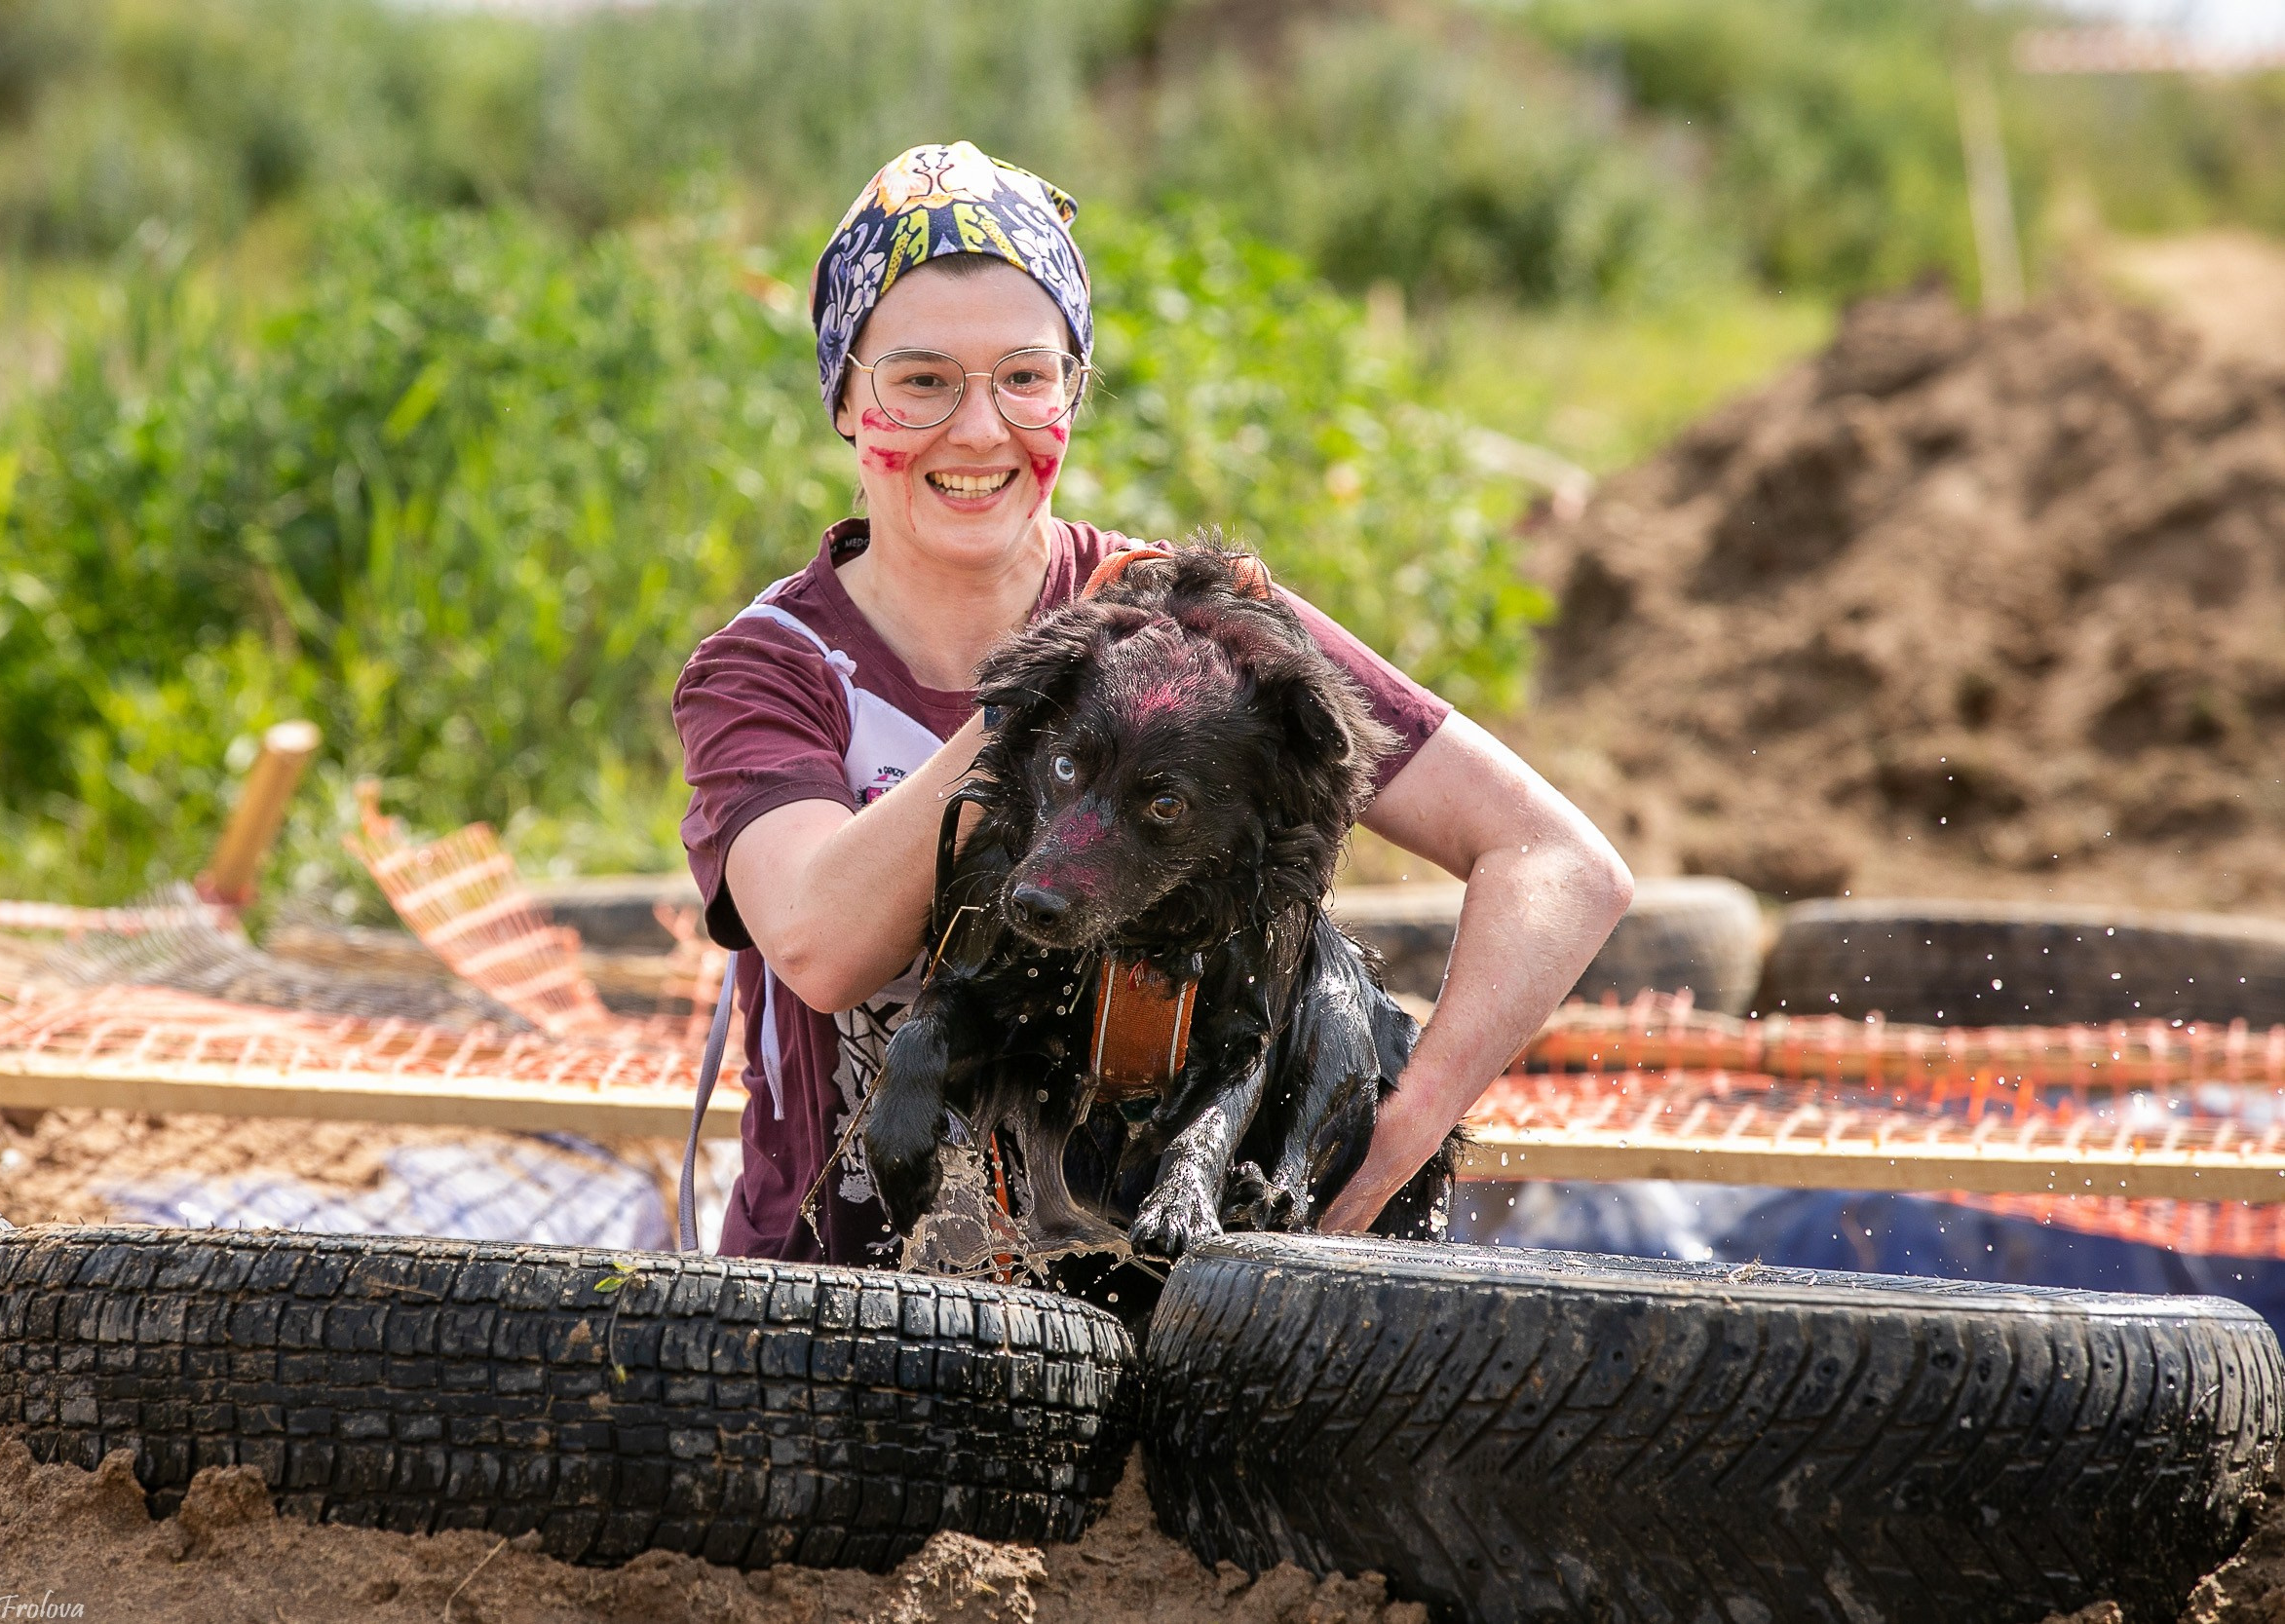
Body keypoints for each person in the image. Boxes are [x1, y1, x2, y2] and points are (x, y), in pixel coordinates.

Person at [673, 141, 1631, 1266]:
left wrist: (1399, 1135)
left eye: (1025, 377)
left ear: (1073, 389)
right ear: (844, 393)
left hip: (1155, 1298)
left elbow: (1559, 862)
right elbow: (824, 945)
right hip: (832, 1295)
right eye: (922, 379)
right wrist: (1043, 688)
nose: (980, 430)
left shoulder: (1199, 629)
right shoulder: (773, 667)